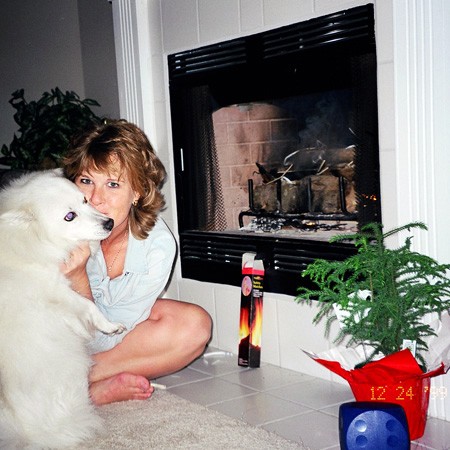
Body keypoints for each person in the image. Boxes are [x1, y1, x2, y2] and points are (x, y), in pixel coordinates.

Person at [61, 119, 212, 406]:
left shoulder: (157, 247)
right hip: (47, 342)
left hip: (93, 345)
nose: (95, 199)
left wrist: (78, 276)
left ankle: (78, 387)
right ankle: (84, 394)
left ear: (138, 192)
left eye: (113, 184)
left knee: (194, 325)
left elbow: (103, 339)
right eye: (86, 181)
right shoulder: (56, 222)